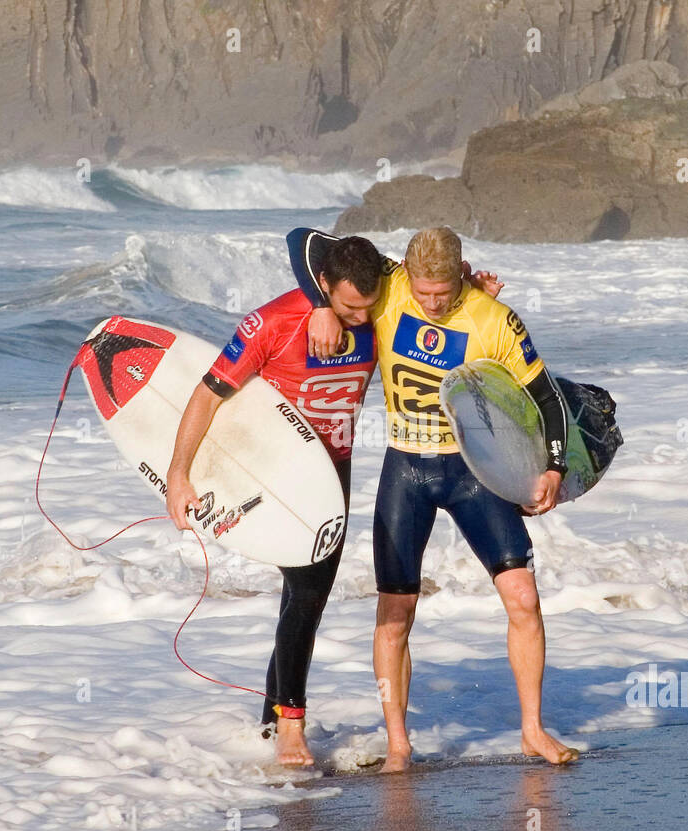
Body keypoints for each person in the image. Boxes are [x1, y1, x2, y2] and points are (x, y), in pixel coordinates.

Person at [288, 225, 579, 771]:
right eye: (422, 294)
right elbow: (303, 241)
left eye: (442, 295)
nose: (430, 304)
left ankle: (533, 730)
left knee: (523, 598)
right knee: (396, 611)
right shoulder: (391, 285)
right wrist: (320, 303)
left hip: (475, 472)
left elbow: (547, 398)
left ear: (461, 277)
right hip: (407, 469)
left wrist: (555, 467)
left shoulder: (495, 318)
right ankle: (398, 743)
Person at [164, 236, 385, 766]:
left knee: (303, 599)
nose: (359, 316)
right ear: (325, 284)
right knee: (306, 596)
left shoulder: (377, 307)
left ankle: (271, 722)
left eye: (367, 307)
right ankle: (290, 728)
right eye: (348, 305)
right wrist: (178, 472)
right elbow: (207, 393)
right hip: (281, 475)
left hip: (336, 471)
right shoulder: (272, 322)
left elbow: (427, 284)